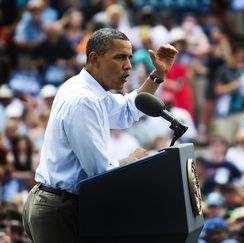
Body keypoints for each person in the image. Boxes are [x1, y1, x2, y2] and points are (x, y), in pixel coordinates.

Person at [22, 28, 178, 242]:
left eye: (129, 57)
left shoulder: (90, 90)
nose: (128, 66)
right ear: (94, 58)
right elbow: (99, 171)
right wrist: (132, 161)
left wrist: (157, 74)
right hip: (59, 208)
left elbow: (126, 111)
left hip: (57, 203)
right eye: (119, 57)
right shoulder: (84, 99)